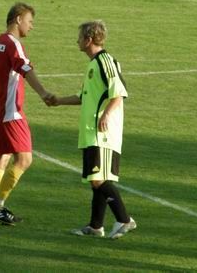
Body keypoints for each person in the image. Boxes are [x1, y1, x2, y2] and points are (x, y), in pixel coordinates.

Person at [48, 20, 136, 239]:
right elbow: (83, 97)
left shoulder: (105, 61)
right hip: (90, 131)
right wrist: (58, 101)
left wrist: (106, 116)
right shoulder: (92, 64)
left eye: (79, 37)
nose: (76, 41)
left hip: (102, 132)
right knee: (96, 179)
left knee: (99, 179)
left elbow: (119, 92)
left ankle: (124, 219)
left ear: (89, 39)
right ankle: (96, 226)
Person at [0, 2, 53, 225]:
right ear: (18, 19)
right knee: (24, 159)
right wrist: (43, 93)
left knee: (0, 157)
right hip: (10, 112)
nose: (31, 26)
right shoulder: (13, 44)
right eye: (30, 21)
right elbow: (26, 69)